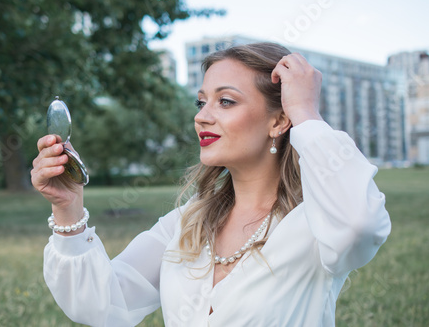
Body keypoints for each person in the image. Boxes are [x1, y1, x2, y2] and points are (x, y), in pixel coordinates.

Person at [31, 42, 391, 326]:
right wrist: (67, 207)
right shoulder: (186, 223)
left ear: (279, 120)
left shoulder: (316, 225)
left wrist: (307, 115)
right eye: (201, 101)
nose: (202, 116)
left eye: (226, 101)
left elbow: (359, 225)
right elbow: (103, 305)